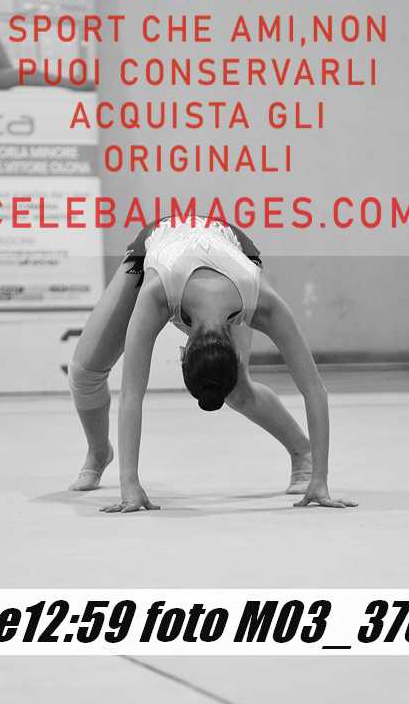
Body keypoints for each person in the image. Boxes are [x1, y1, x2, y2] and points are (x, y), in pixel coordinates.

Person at [68, 215, 358, 513]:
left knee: (235, 387)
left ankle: (303, 452)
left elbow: (314, 389)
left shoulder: (263, 301)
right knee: (84, 373)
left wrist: (320, 478)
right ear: (183, 352)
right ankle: (99, 451)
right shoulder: (156, 294)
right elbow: (131, 393)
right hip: (160, 239)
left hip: (234, 249)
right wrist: (128, 484)